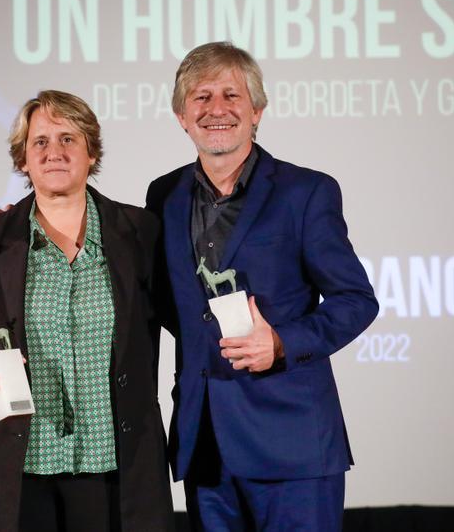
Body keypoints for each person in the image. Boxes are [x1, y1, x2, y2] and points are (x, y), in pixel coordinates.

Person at [145, 42, 379, 530]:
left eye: (232, 95)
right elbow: (170, 305)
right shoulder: (162, 195)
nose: (216, 109)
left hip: (291, 443)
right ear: (181, 116)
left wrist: (280, 342)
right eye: (201, 97)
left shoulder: (306, 192)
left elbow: (356, 300)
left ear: (257, 111)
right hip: (204, 443)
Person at [0, 90, 173, 531]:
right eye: (40, 142)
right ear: (23, 160)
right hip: (16, 458)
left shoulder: (138, 232)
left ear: (91, 153)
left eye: (69, 139)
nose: (54, 153)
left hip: (112, 458)